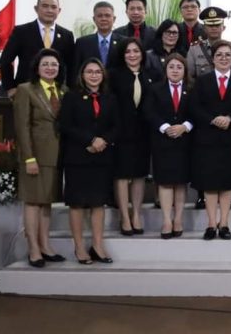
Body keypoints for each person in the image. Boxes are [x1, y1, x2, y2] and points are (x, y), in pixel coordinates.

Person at [58, 58, 118, 264]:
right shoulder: (71, 97)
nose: (94, 75)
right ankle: (79, 247)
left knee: (98, 203)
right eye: (89, 72)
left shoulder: (110, 98)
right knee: (77, 204)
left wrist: (104, 140)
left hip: (102, 157)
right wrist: (90, 140)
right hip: (78, 157)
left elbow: (116, 126)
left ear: (103, 75)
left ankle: (98, 246)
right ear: (82, 75)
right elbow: (65, 125)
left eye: (97, 72)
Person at [190, 40, 231, 240]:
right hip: (207, 140)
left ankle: (224, 224)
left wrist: (230, 118)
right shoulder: (203, 80)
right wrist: (212, 119)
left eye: (227, 55)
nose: (223, 58)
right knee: (209, 184)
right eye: (219, 55)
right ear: (213, 59)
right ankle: (210, 224)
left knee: (227, 184)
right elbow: (195, 107)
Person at [13, 49, 66, 267]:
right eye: (46, 64)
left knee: (47, 203)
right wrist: (28, 158)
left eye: (54, 64)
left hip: (57, 156)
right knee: (33, 202)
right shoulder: (26, 90)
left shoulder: (63, 90)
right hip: (35, 156)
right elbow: (22, 127)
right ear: (37, 67)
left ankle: (45, 245)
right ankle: (33, 248)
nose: (50, 68)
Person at [108, 38, 160, 236]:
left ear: (142, 53)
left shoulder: (152, 75)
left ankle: (136, 213)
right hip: (120, 132)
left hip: (143, 132)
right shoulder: (114, 75)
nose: (132, 55)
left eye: (136, 51)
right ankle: (124, 216)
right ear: (122, 55)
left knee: (139, 174)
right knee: (122, 175)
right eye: (128, 52)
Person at [144, 53, 193, 239]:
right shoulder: (155, 89)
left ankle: (178, 219)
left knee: (180, 182)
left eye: (179, 67)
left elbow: (196, 111)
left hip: (184, 141)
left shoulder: (192, 88)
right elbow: (149, 111)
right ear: (166, 70)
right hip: (162, 141)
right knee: (165, 182)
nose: (175, 70)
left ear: (184, 70)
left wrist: (185, 126)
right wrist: (164, 127)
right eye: (171, 67)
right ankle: (166, 220)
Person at [0, 0, 75, 96]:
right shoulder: (21, 32)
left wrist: (69, 90)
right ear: (36, 8)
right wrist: (10, 87)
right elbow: (5, 60)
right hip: (25, 91)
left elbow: (71, 66)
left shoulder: (67, 35)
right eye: (45, 6)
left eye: (53, 7)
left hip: (56, 93)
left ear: (59, 10)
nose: (49, 10)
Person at [73, 1, 124, 74]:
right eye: (100, 16)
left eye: (107, 15)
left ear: (114, 19)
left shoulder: (123, 42)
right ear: (94, 19)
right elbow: (76, 71)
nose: (103, 19)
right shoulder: (82, 43)